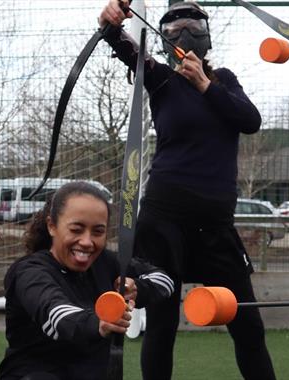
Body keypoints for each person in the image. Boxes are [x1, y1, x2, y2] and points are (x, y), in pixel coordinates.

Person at [99, 1, 277, 380]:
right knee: (162, 327)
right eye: (174, 27)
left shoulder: (224, 81)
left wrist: (204, 84)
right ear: (165, 38)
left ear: (207, 35)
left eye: (193, 24)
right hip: (164, 219)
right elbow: (125, 47)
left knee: (247, 326)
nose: (184, 32)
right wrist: (111, 21)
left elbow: (250, 121)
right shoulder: (161, 79)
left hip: (215, 225)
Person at [0, 181, 174, 380]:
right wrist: (100, 322)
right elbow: (57, 316)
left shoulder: (108, 263)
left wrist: (137, 289)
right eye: (76, 229)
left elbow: (164, 281)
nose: (87, 242)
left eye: (98, 232)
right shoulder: (29, 271)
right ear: (51, 226)